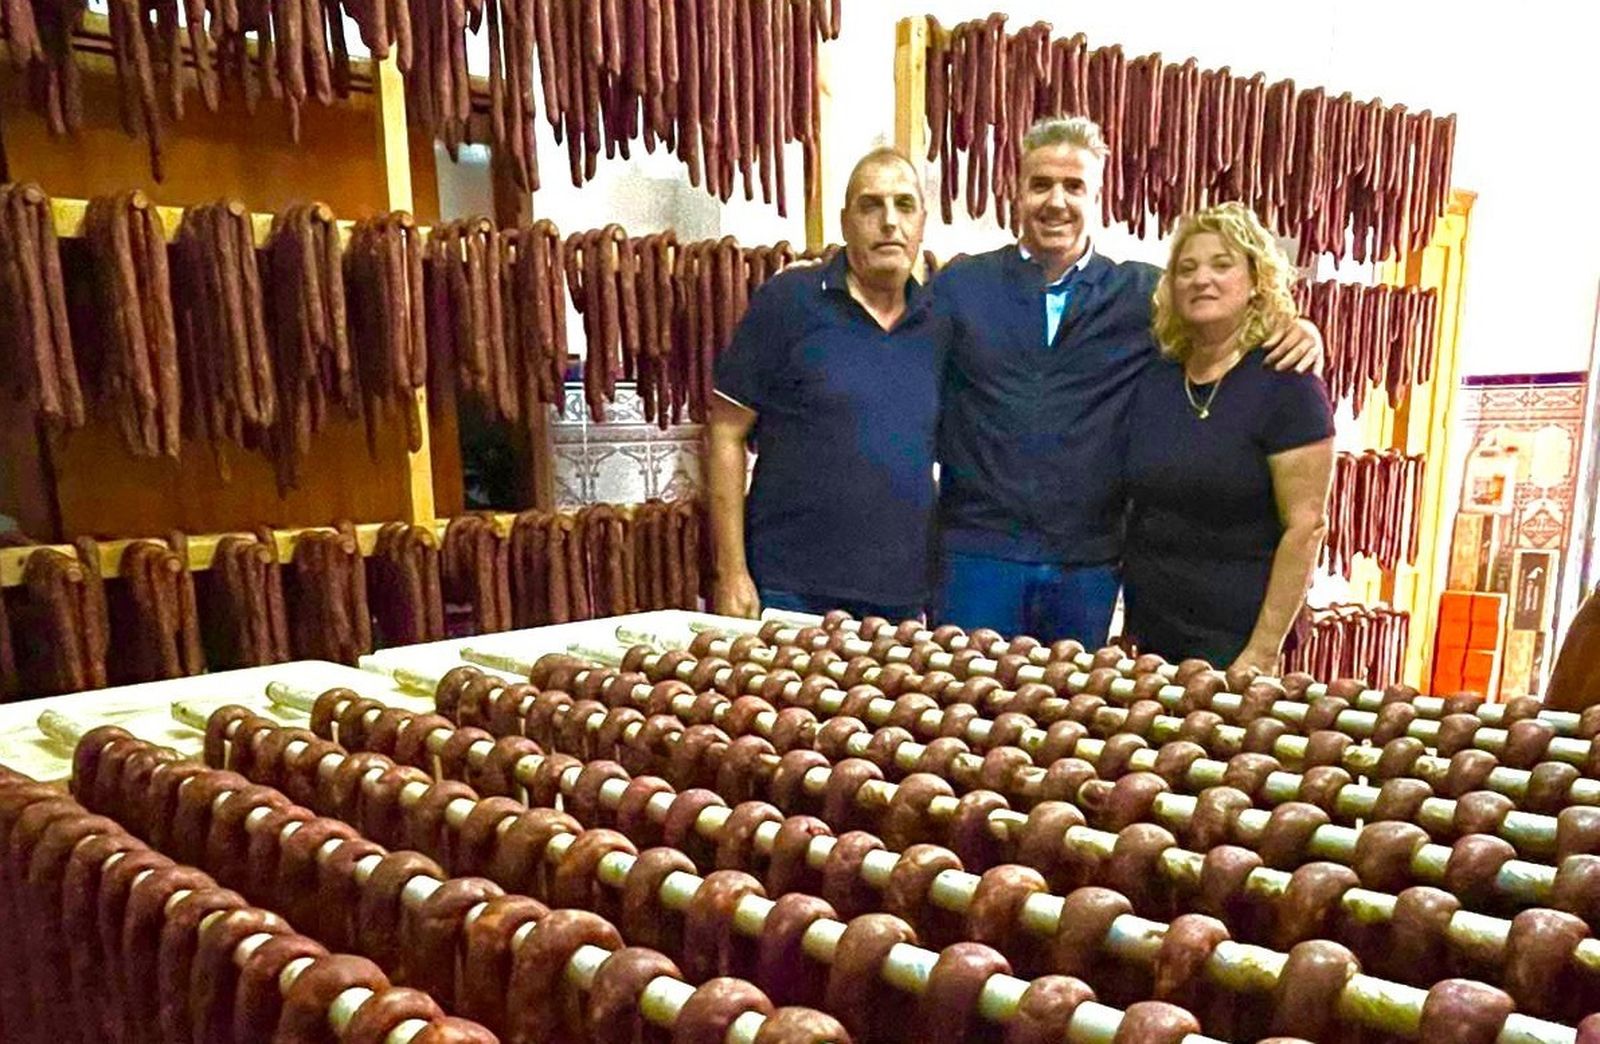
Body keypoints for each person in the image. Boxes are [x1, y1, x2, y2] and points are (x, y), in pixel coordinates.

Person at [932, 116, 1322, 646]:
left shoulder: (1141, 295)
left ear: (1097, 197)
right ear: (1015, 190)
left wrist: (1298, 326)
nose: (1056, 201)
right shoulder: (962, 286)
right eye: (1040, 183)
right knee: (964, 711)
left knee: (1070, 716)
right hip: (979, 555)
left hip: (1086, 565)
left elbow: (1222, 311)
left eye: (1074, 187)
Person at [706, 147, 944, 620]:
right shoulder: (788, 302)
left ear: (921, 222)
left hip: (900, 597)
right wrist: (731, 573)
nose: (889, 222)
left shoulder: (940, 322)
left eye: (904, 205)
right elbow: (725, 433)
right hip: (790, 588)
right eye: (870, 205)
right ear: (844, 222)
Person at [1121, 202, 1335, 674]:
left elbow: (1306, 528)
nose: (1202, 280)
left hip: (1237, 644)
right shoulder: (1157, 379)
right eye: (1187, 268)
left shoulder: (1288, 383)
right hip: (1156, 637)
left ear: (1256, 279)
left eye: (1222, 265)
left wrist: (1261, 652)